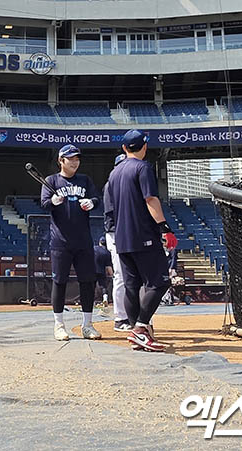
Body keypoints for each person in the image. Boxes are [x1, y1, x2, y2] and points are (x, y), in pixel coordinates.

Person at [104, 130, 177, 353]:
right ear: (143, 147)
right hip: (143, 234)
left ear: (125, 148)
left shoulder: (114, 173)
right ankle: (141, 328)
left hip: (121, 237)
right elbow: (150, 199)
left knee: (132, 286)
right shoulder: (143, 167)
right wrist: (164, 228)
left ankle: (136, 331)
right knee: (160, 282)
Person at [39, 144, 101, 341]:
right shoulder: (51, 181)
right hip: (60, 241)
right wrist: (53, 201)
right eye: (70, 159)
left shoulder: (85, 180)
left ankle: (87, 325)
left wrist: (92, 202)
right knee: (60, 282)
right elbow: (44, 203)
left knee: (87, 282)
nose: (75, 162)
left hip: (83, 241)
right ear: (61, 161)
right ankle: (59, 325)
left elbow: (96, 198)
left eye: (77, 158)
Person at [103, 153, 132, 332]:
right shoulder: (111, 185)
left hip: (130, 234)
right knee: (121, 275)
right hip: (115, 234)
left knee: (134, 277)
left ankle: (134, 316)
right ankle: (120, 318)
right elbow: (111, 216)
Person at [93, 237, 113, 306]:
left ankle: (91, 301)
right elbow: (108, 267)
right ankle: (105, 299)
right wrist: (112, 275)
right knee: (103, 286)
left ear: (99, 242)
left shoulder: (94, 249)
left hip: (92, 270)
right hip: (101, 271)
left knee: (91, 286)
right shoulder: (107, 252)